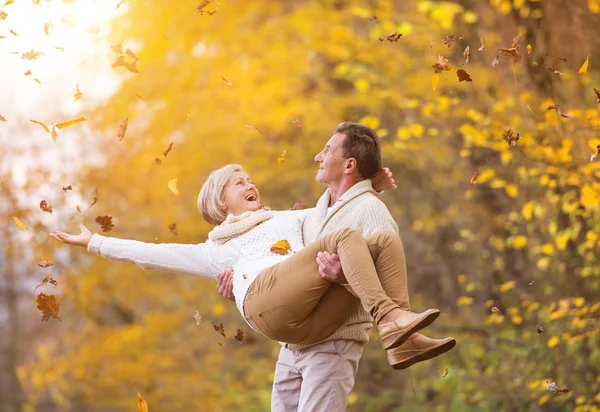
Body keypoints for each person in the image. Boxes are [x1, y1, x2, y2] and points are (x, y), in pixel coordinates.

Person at [49, 164, 443, 356]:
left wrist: (369, 186)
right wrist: (94, 242)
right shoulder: (215, 250)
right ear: (222, 202)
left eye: (250, 179)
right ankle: (390, 318)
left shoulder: (293, 220)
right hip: (264, 304)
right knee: (343, 239)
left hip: (308, 325)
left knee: (383, 240)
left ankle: (403, 343)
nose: (251, 184)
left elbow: (338, 208)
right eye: (240, 182)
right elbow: (154, 254)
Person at [216, 122, 456, 411]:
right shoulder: (314, 213)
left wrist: (345, 278)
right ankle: (406, 339)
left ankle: (403, 334)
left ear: (348, 165)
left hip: (333, 344)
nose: (318, 156)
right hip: (293, 347)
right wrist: (243, 289)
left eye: (327, 150)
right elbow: (286, 266)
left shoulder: (370, 209)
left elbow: (385, 277)